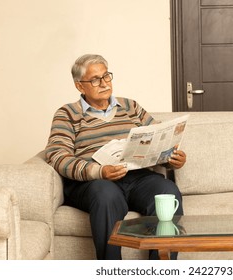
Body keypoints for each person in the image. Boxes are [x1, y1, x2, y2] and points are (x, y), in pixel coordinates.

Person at [45, 54, 186, 260]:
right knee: (107, 196)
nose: (103, 83)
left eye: (106, 76)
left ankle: (162, 270)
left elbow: (160, 137)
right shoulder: (67, 114)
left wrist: (172, 157)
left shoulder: (131, 107)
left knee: (167, 192)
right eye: (95, 79)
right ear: (79, 86)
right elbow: (57, 156)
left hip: (137, 177)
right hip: (95, 181)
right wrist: (99, 171)